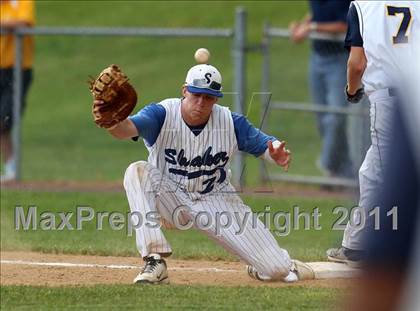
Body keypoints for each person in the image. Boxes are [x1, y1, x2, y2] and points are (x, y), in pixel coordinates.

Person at [95, 63, 313, 284]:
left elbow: (264, 142)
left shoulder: (231, 122)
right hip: (169, 196)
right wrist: (111, 121)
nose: (201, 102)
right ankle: (154, 260)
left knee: (278, 270)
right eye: (196, 94)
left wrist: (273, 152)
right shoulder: (161, 114)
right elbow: (125, 130)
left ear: (216, 99)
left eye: (208, 97)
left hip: (215, 200)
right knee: (137, 171)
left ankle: (264, 266)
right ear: (184, 90)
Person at [326, 1, 420, 267]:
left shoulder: (363, 5)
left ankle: (358, 247)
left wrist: (351, 90)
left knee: (375, 173)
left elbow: (357, 63)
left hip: (390, 99)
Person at [289, 0, 354, 179]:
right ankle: (341, 170)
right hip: (317, 58)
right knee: (322, 118)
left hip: (339, 59)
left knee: (336, 117)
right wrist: (301, 25)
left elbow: (345, 25)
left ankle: (328, 163)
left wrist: (311, 28)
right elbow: (315, 14)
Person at [0, 0, 35, 182]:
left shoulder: (21, 3)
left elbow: (24, 22)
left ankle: (13, 169)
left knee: (4, 119)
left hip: (16, 69)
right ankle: (10, 169)